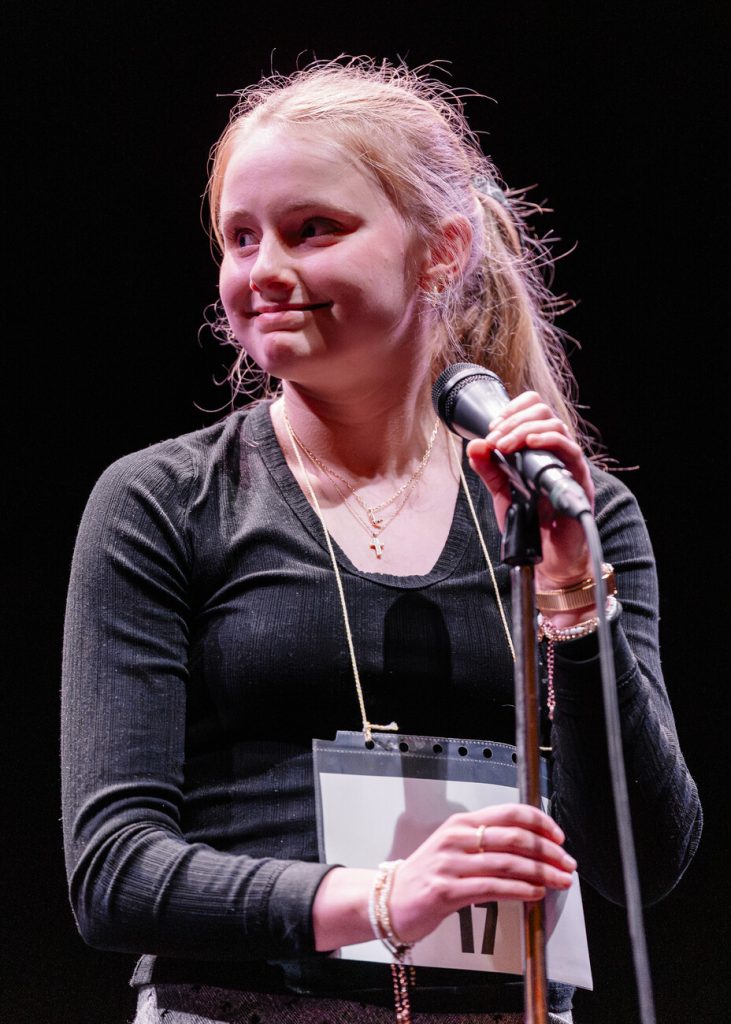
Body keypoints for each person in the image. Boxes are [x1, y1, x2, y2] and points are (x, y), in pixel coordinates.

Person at [61, 57, 702, 1024]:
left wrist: (573, 599)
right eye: (240, 237)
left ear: (441, 251)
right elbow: (113, 871)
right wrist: (377, 900)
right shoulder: (164, 502)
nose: (263, 272)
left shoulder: (573, 509)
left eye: (313, 228)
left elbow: (642, 861)